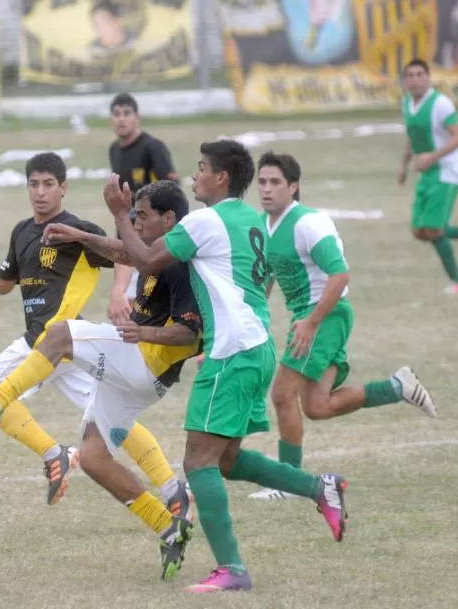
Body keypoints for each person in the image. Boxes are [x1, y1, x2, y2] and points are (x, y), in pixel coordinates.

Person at [101, 140, 349, 594]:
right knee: (227, 460)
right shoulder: (250, 220)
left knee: (197, 460)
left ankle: (232, 568)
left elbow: (146, 258)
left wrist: (120, 212)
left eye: (200, 170)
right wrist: (84, 238)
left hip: (233, 350)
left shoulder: (205, 220)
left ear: (222, 179)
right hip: (255, 346)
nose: (193, 177)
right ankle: (319, 487)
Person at [0, 180, 200, 580]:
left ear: (169, 219)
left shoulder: (181, 262)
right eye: (133, 215)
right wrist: (80, 234)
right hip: (145, 378)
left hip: (143, 358)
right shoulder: (160, 251)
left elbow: (190, 332)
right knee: (95, 459)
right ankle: (166, 526)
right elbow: (123, 252)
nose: (135, 222)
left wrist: (145, 333)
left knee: (61, 333)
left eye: (143, 216)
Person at [249, 152, 437, 500]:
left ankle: (289, 482)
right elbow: (266, 281)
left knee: (281, 394)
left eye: (275, 182)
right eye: (262, 181)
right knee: (317, 407)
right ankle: (397, 387)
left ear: (294, 187)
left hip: (325, 314)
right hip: (308, 317)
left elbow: (340, 275)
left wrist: (311, 323)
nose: (266, 189)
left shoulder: (308, 223)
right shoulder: (263, 225)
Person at [398, 59, 458, 295]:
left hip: (446, 173)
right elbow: (411, 135)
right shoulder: (407, 103)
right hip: (427, 174)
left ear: (428, 78)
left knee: (432, 229)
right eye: (410, 75)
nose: (415, 79)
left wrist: (433, 157)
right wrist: (404, 164)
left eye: (420, 74)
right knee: (419, 230)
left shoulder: (441, 104)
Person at [107, 92, 178, 326]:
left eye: (127, 113)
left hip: (152, 244)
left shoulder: (153, 148)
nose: (121, 119)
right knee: (125, 309)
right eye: (116, 114)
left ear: (138, 117)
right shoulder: (114, 150)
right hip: (129, 239)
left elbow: (173, 192)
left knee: (140, 308)